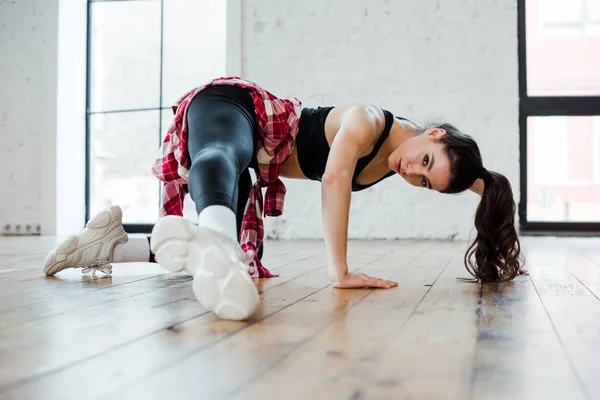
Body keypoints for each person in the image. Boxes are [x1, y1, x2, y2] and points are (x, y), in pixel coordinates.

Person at [42, 76, 526, 321]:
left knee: (220, 246)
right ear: (435, 133)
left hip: (254, 156)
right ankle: (217, 241)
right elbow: (336, 178)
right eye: (425, 161)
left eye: (425, 183)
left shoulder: (428, 159)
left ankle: (108, 245)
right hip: (236, 107)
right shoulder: (369, 121)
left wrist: (498, 220)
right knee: (219, 156)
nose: (412, 171)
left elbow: (482, 181)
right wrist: (340, 271)